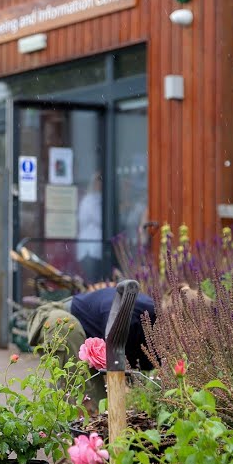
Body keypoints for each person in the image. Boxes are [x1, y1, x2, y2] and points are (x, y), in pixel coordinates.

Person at [27, 285, 159, 412]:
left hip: (92, 334)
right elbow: (115, 373)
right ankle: (72, 419)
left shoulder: (163, 335)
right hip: (59, 317)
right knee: (94, 402)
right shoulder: (124, 317)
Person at [76, 172, 104, 282]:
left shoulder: (95, 199)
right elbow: (99, 219)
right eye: (99, 181)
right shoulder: (90, 200)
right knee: (93, 281)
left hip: (95, 249)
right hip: (90, 250)